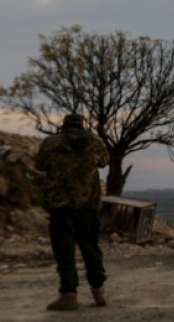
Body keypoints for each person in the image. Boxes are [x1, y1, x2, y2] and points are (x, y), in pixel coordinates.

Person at [34, 113, 110, 311]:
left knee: (65, 253)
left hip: (61, 207)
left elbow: (39, 165)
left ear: (63, 126)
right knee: (91, 248)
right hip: (88, 206)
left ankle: (69, 295)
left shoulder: (51, 143)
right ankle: (99, 291)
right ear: (82, 126)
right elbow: (104, 162)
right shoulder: (96, 142)